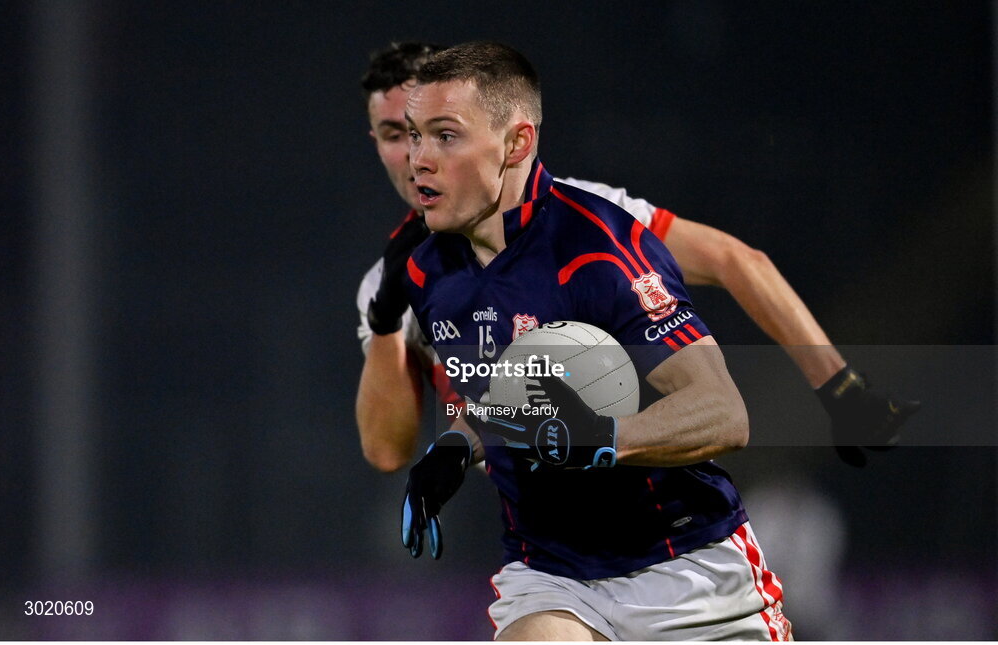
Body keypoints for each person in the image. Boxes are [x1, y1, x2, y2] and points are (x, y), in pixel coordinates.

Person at [354, 42, 919, 474]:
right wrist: (386, 319)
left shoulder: (589, 220)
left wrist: (839, 387)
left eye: (440, 131)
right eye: (396, 133)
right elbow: (387, 451)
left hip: (660, 488)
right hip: (527, 523)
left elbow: (733, 260)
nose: (414, 154)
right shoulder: (395, 280)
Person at [398, 40, 790, 641]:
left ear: (516, 143)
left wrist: (599, 441)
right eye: (413, 134)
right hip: (552, 574)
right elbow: (515, 397)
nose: (418, 159)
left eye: (444, 136)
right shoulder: (429, 274)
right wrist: (457, 446)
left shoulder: (599, 251)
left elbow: (723, 412)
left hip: (686, 566)